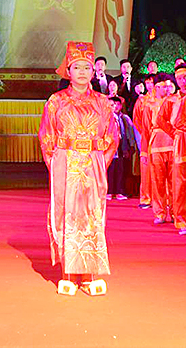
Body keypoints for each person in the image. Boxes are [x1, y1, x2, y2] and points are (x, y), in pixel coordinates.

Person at [39, 41, 118, 296]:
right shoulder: (56, 101)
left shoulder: (102, 102)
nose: (82, 72)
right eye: (77, 67)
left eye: (86, 67)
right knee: (66, 214)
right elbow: (46, 135)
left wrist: (100, 163)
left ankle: (89, 274)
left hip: (92, 164)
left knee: (92, 216)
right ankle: (68, 274)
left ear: (93, 71)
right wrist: (56, 163)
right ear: (68, 71)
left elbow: (112, 136)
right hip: (65, 163)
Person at [158, 65, 186, 236]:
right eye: (180, 78)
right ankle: (183, 220)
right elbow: (161, 120)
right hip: (181, 142)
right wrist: (174, 133)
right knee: (181, 183)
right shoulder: (171, 100)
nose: (184, 81)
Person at [132, 75, 163, 209]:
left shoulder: (162, 100)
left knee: (160, 168)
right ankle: (146, 197)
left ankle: (161, 199)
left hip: (161, 138)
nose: (150, 86)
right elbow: (137, 119)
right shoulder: (142, 100)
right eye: (147, 83)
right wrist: (145, 133)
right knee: (146, 167)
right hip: (145, 136)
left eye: (152, 83)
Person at [148, 74, 176, 225]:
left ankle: (175, 212)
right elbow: (144, 128)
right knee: (158, 181)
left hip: (173, 144)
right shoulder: (149, 104)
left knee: (174, 181)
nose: (167, 89)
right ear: (156, 87)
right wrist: (144, 151)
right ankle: (160, 212)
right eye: (164, 86)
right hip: (156, 145)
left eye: (168, 86)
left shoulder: (175, 101)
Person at [107, 96, 135, 200]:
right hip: (110, 147)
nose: (115, 107)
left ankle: (119, 191)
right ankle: (109, 191)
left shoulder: (124, 118)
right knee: (110, 170)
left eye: (117, 104)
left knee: (120, 170)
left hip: (121, 147)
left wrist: (130, 146)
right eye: (113, 105)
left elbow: (129, 133)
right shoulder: (107, 118)